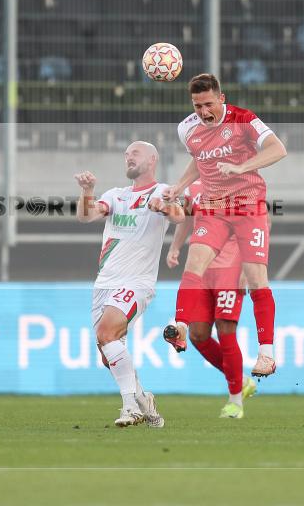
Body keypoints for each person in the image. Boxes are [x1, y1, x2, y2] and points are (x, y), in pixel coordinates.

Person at [162, 73, 287, 379]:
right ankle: (179, 326)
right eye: (196, 105)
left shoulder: (244, 119)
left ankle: (266, 355)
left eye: (207, 104)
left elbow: (277, 149)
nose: (203, 112)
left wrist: (241, 166)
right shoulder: (186, 129)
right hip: (214, 207)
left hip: (249, 206)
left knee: (258, 278)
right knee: (193, 265)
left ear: (221, 98)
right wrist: (179, 186)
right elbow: (200, 159)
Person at [75, 141, 184, 428]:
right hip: (104, 284)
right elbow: (86, 215)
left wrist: (164, 208)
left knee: (107, 333)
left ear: (152, 160)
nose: (128, 157)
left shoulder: (161, 191)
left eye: (134, 153)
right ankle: (144, 400)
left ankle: (129, 409)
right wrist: (87, 191)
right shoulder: (115, 195)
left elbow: (180, 215)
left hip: (136, 282)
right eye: (126, 154)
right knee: (107, 351)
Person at [166, 179, 257, 419]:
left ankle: (235, 401)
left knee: (225, 330)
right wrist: (175, 246)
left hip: (231, 268)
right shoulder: (194, 188)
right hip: (201, 271)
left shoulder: (239, 184)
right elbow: (186, 217)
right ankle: (242, 380)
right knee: (197, 335)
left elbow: (260, 223)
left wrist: (250, 267)